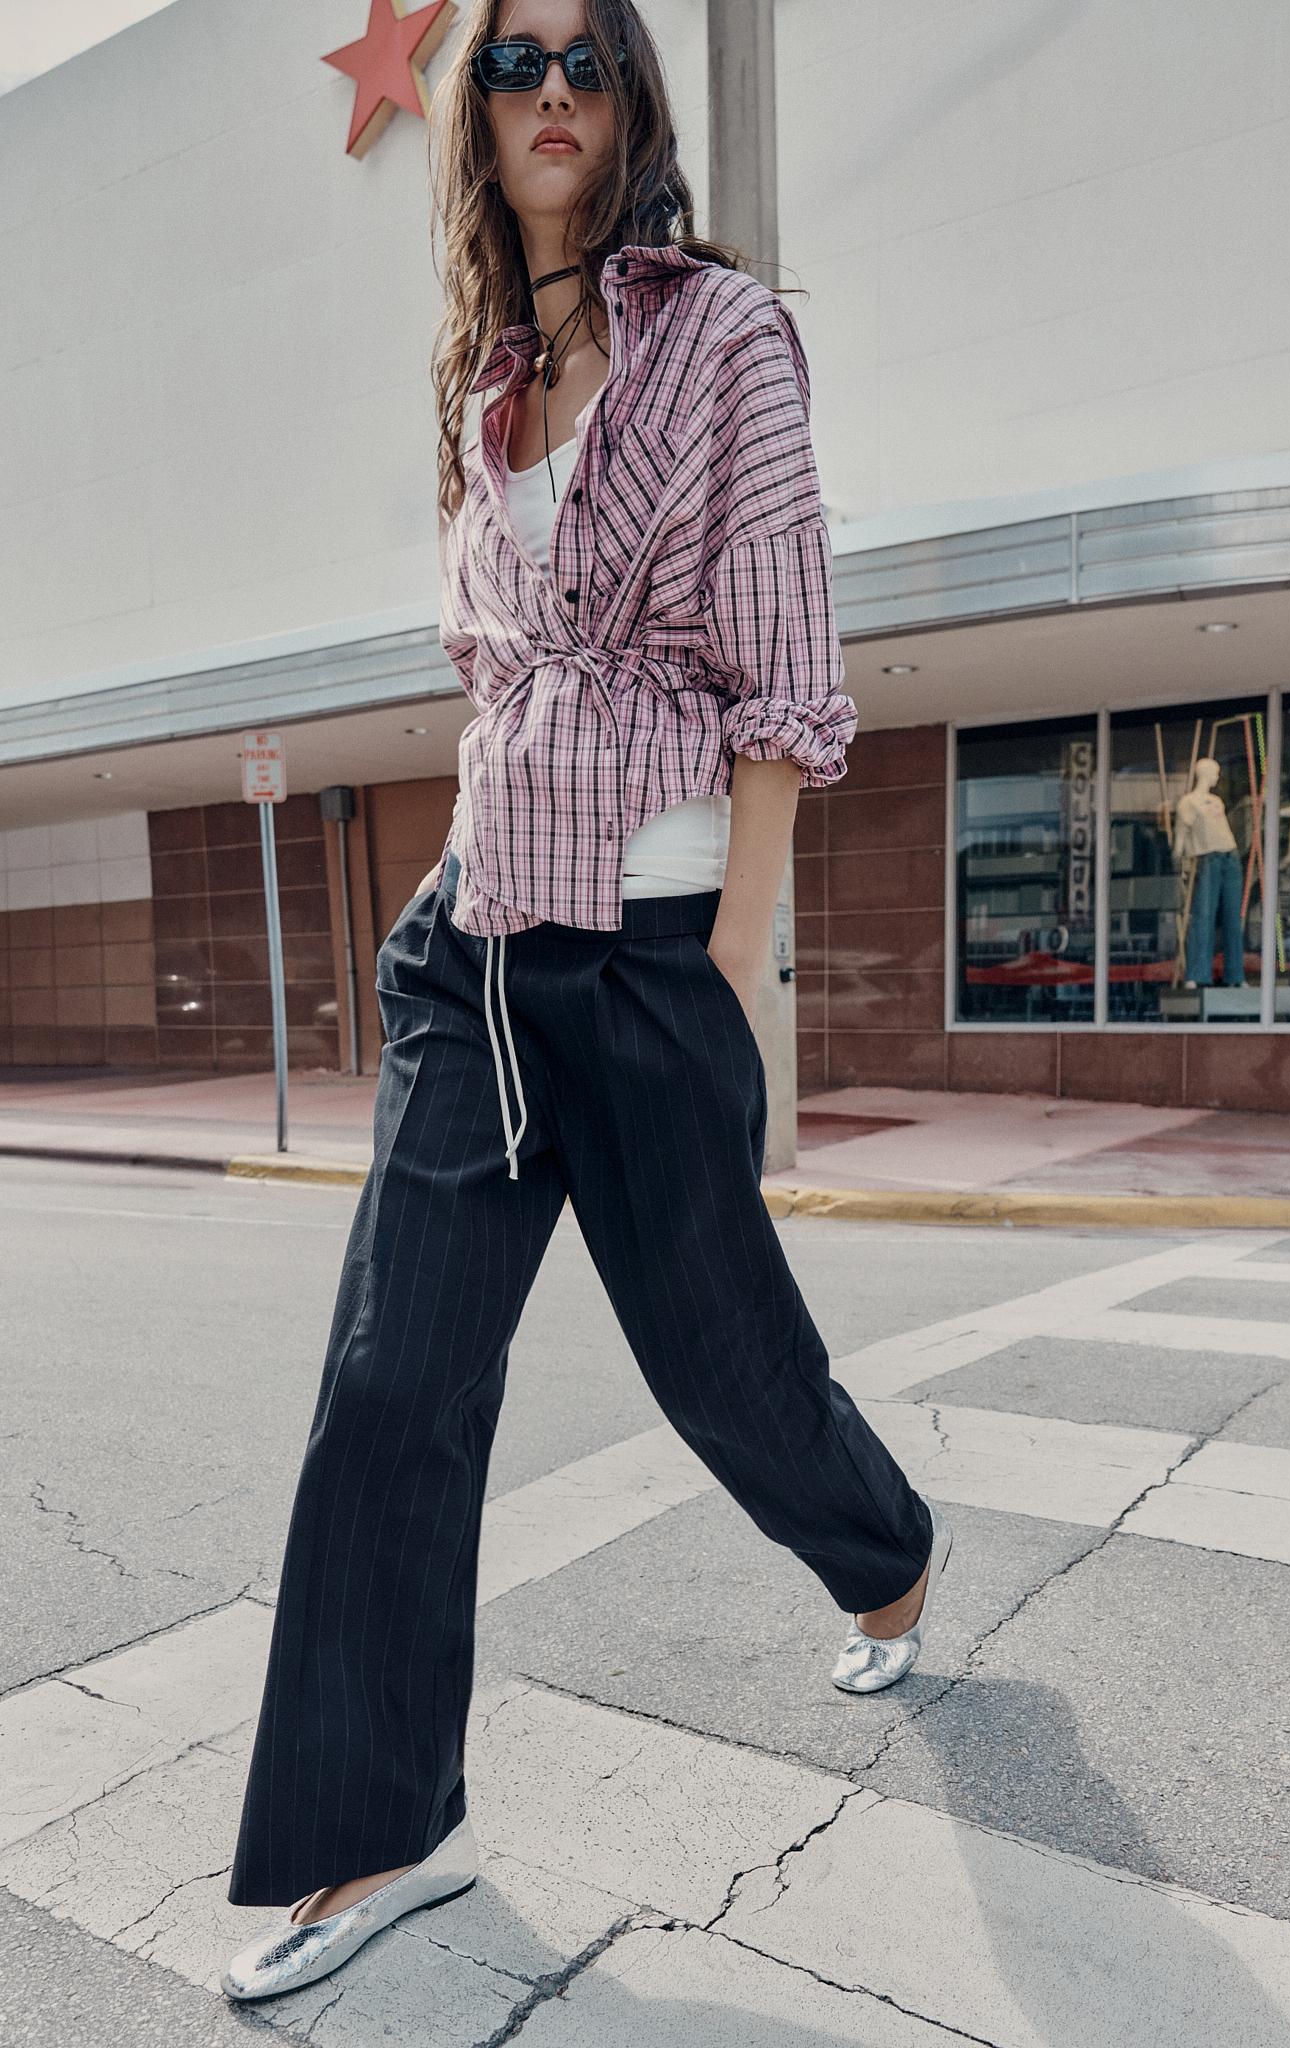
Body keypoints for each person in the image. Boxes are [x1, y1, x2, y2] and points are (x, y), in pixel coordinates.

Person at [221, 0, 951, 2004]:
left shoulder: (726, 341)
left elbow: (786, 667)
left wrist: (726, 969)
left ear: (630, 101)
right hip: (475, 943)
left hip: (647, 949)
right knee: (390, 1380)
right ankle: (381, 1834)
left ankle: (879, 1542)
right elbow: (492, 667)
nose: (549, 87)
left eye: (583, 59)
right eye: (514, 59)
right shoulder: (484, 372)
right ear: (476, 116)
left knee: (721, 1369)